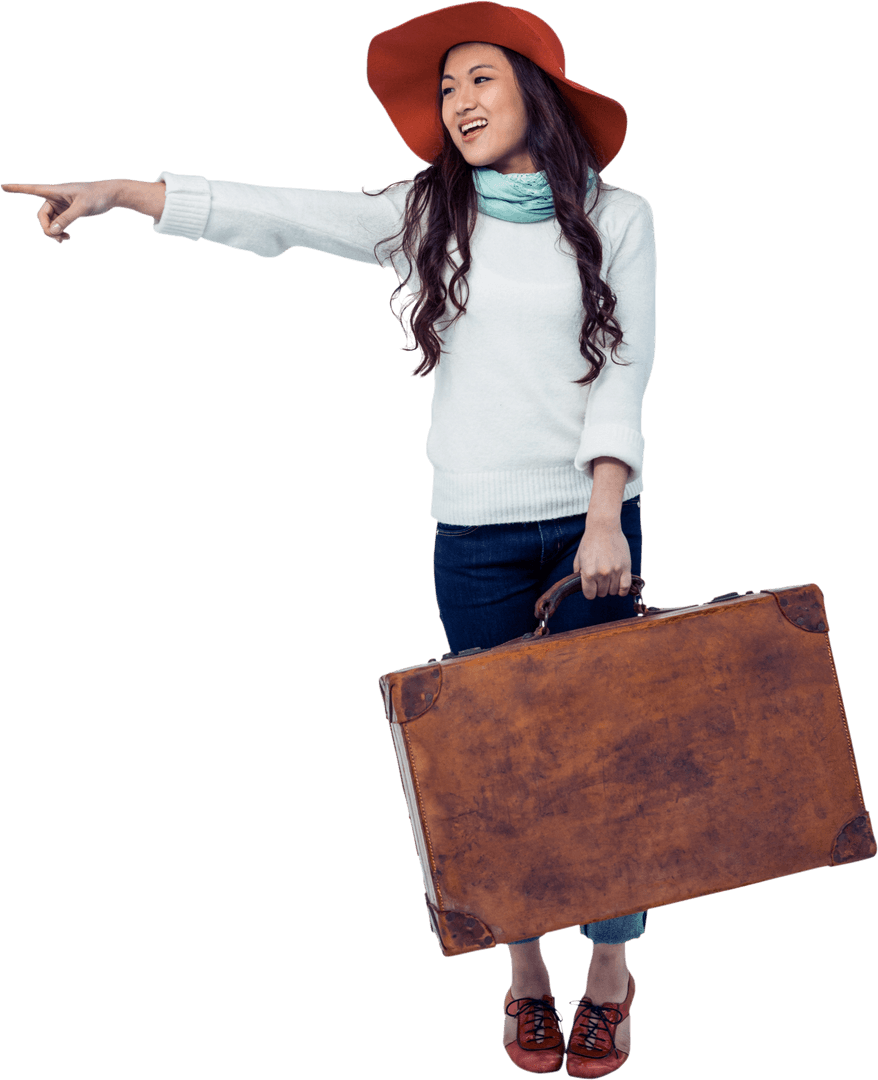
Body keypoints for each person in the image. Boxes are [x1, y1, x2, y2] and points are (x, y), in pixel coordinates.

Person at [1, 4, 655, 1075]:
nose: (458, 102)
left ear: (534, 91)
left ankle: (612, 970)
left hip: (593, 526)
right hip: (474, 533)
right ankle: (526, 969)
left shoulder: (619, 216)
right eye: (446, 89)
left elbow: (624, 364)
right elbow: (277, 215)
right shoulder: (425, 215)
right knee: (495, 766)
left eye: (479, 79)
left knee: (606, 759)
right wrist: (124, 192)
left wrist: (602, 514)